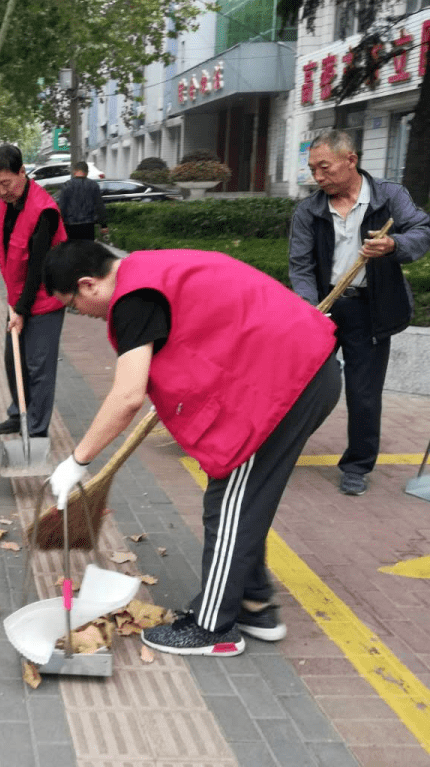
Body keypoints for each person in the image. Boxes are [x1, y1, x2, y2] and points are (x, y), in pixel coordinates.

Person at [43, 241, 341, 656]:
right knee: (241, 500)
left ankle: (213, 627)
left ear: (88, 285)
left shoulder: (133, 299)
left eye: (73, 305)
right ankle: (255, 606)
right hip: (293, 371)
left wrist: (77, 461)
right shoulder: (147, 269)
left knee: (230, 504)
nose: (80, 314)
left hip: (288, 382)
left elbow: (127, 396)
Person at [290, 130, 430, 497]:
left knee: (364, 393)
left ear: (350, 160)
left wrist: (394, 244)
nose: (318, 178)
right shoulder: (309, 210)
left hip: (370, 308)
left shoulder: (389, 197)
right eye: (313, 170)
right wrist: (310, 309)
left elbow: (422, 230)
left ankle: (357, 465)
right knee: (302, 386)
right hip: (324, 309)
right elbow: (301, 266)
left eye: (324, 168)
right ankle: (280, 450)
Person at [0, 144, 69, 439]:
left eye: (6, 183)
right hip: (17, 296)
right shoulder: (6, 202)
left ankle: (36, 429)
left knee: (38, 367)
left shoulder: (44, 211)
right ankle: (18, 412)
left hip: (44, 299)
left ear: (22, 172)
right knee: (13, 359)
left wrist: (22, 309)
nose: (1, 191)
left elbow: (38, 267)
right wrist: (15, 303)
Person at [57, 160, 106, 241]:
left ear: (74, 171)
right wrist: (103, 225)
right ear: (87, 172)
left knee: (72, 251)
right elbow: (99, 205)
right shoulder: (93, 185)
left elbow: (62, 207)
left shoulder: (66, 185)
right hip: (88, 225)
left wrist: (60, 226)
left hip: (70, 225)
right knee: (87, 251)